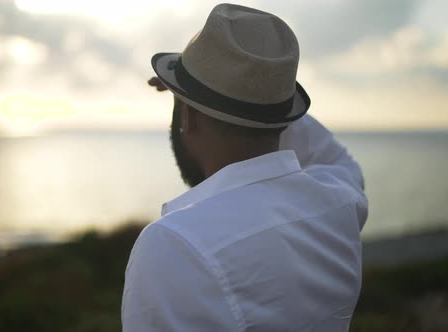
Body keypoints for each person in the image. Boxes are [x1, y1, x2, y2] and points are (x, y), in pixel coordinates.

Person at [122, 4, 368, 332]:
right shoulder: (338, 204)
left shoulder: (175, 245)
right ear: (283, 121)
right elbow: (337, 160)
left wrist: (215, 88)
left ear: (187, 118)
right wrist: (255, 95)